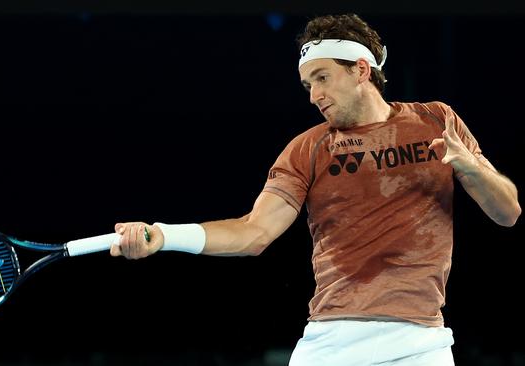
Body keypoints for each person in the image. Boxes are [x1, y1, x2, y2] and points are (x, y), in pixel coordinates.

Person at [109, 14, 521, 366]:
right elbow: (253, 233)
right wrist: (163, 235)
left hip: (422, 343)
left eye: (322, 78)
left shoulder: (436, 120)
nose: (314, 95)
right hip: (332, 341)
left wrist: (470, 169)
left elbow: (508, 212)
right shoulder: (308, 148)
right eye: (308, 84)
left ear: (361, 70)